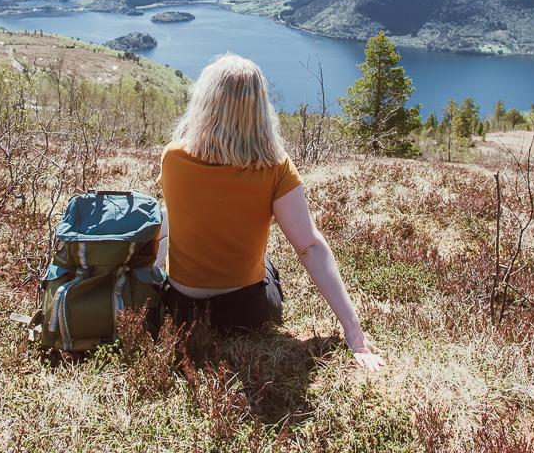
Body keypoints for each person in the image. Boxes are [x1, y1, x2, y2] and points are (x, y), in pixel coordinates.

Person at [156, 53, 385, 371]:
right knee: (268, 265)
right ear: (260, 108)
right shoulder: (275, 167)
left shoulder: (173, 156)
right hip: (247, 313)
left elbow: (174, 217)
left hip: (181, 309)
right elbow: (309, 246)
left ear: (204, 101)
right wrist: (354, 332)